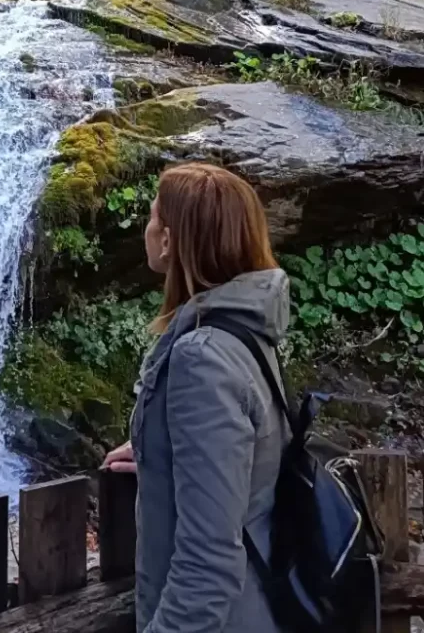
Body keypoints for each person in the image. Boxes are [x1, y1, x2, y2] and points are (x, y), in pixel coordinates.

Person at [104, 162, 289, 633]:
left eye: (151, 216)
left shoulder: (200, 357)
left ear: (167, 240)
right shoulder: (245, 327)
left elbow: (208, 563)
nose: (146, 228)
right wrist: (156, 446)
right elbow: (249, 445)